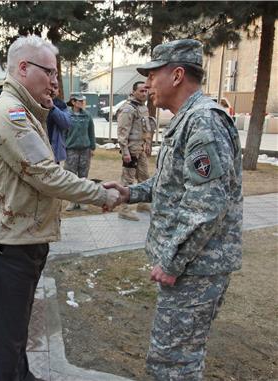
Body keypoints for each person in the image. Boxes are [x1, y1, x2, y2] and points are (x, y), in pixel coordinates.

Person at [0, 35, 120, 381]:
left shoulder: (25, 110)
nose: (56, 81)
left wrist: (96, 186)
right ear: (23, 68)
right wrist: (100, 194)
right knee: (6, 335)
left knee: (16, 327)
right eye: (50, 72)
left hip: (21, 236)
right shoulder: (12, 114)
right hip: (9, 244)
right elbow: (45, 174)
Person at [104, 39, 243, 380]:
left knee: (172, 363)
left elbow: (207, 205)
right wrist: (129, 192)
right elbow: (171, 184)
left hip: (195, 268)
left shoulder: (203, 122)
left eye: (153, 75)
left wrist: (171, 261)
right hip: (191, 266)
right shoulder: (186, 121)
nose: (147, 84)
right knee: (177, 358)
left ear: (178, 75)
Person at [116, 81, 151, 221]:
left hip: (141, 148)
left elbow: (146, 128)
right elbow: (122, 132)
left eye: (146, 91)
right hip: (131, 150)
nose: (144, 93)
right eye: (141, 91)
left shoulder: (143, 108)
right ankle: (124, 209)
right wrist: (125, 151)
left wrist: (147, 143)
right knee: (128, 180)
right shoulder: (128, 109)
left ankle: (143, 204)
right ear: (133, 92)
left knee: (144, 177)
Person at [64, 94, 96, 211]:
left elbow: (91, 132)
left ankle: (82, 200)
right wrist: (63, 148)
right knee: (71, 176)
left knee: (83, 176)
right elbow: (63, 133)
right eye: (79, 100)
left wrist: (92, 147)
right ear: (73, 102)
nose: (82, 102)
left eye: (83, 101)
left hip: (85, 149)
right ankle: (72, 201)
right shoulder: (67, 115)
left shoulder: (87, 115)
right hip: (71, 149)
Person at [44, 83, 70, 164]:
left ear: (59, 91)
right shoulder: (37, 102)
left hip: (54, 149)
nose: (53, 90)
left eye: (55, 88)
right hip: (41, 147)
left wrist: (52, 107)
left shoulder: (62, 105)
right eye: (51, 87)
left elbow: (66, 124)